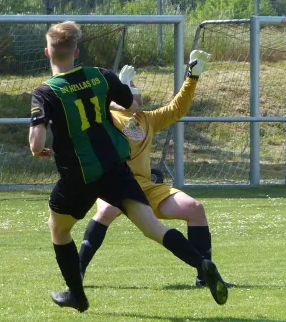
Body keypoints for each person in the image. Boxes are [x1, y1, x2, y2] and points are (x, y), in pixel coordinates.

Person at [29, 21, 228, 313]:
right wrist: (119, 91)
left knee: (59, 231)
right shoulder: (100, 76)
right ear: (77, 51)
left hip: (80, 175)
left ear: (47, 52)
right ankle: (202, 263)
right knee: (153, 227)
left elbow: (36, 141)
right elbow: (132, 106)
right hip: (115, 169)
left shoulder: (45, 92)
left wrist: (38, 150)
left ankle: (77, 293)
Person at [79, 50, 236, 289]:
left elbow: (177, 109)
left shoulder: (146, 119)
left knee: (195, 209)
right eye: (132, 87)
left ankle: (205, 276)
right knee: (106, 211)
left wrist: (191, 78)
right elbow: (93, 108)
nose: (138, 92)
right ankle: (77, 273)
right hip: (114, 183)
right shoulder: (107, 118)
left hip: (145, 187)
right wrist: (119, 85)